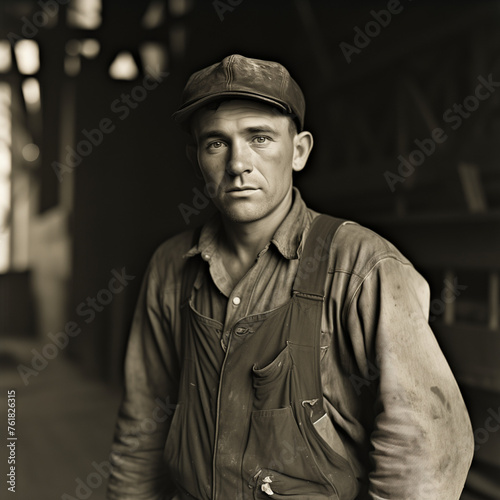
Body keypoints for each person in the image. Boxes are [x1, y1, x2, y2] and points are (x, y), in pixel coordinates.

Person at [107, 54, 474, 500]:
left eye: (259, 138)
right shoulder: (171, 266)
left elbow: (426, 450)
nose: (238, 163)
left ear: (298, 151)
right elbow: (142, 425)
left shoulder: (361, 265)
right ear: (196, 158)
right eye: (216, 143)